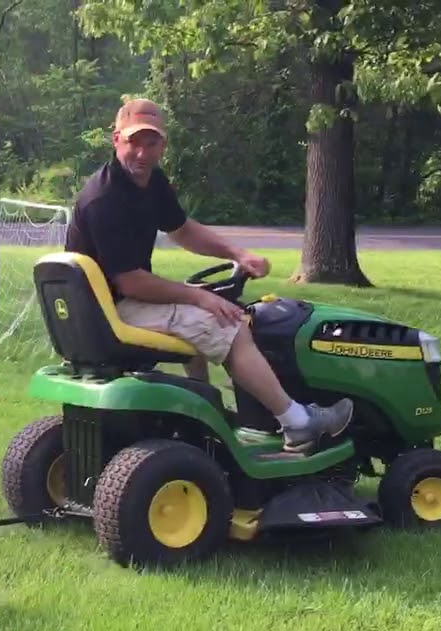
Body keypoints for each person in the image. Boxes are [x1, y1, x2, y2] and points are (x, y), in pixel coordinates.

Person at [64, 97, 354, 454]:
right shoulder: (105, 198)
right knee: (229, 327)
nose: (141, 153)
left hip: (109, 302)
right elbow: (131, 281)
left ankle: (201, 420)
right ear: (116, 139)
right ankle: (298, 422)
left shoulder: (151, 183)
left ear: (162, 144)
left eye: (150, 143)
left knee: (202, 311)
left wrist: (238, 253)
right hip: (112, 308)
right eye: (133, 142)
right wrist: (200, 297)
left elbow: (182, 230)